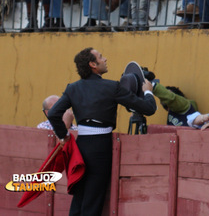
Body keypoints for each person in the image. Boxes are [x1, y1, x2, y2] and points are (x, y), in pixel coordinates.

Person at [47, 48, 156, 215]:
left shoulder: (73, 88)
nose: (105, 59)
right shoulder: (112, 87)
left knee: (80, 197)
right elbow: (149, 108)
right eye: (100, 57)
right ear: (93, 64)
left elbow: (54, 113)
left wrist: (64, 136)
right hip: (100, 147)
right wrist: (148, 91)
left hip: (80, 145)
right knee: (93, 200)